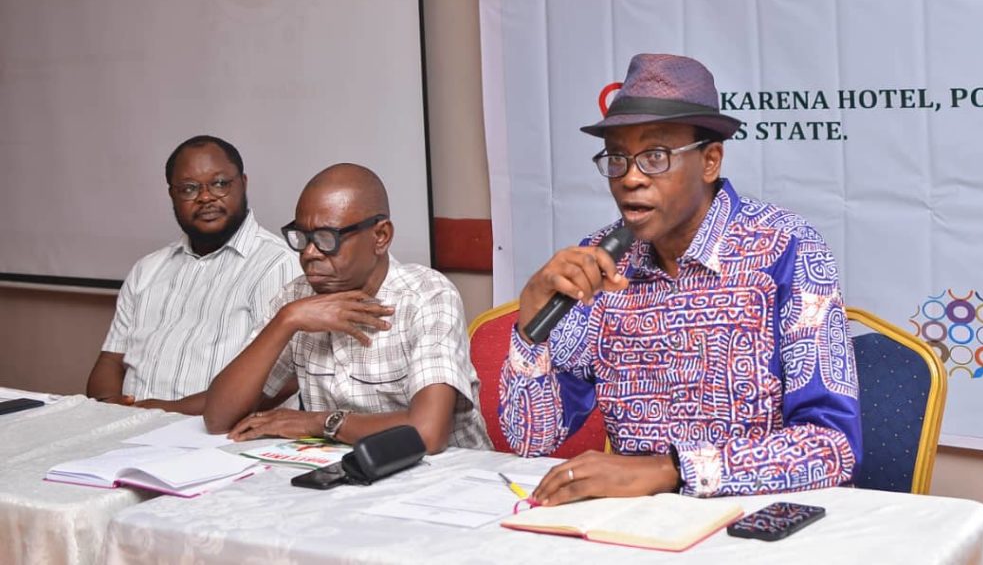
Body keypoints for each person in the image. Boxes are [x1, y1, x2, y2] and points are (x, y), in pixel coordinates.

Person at [499, 54, 862, 504]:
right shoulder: (602, 262)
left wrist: (669, 471)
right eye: (617, 158)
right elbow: (531, 437)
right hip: (635, 523)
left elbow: (832, 447)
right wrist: (531, 330)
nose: (630, 178)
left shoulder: (787, 249)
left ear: (710, 161)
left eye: (655, 156)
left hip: (757, 515)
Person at [203, 163, 490, 454]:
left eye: (327, 238)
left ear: (380, 236)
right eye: (301, 237)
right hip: (347, 470)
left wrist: (318, 423)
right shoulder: (297, 297)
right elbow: (218, 418)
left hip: (447, 474)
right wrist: (286, 320)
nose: (309, 253)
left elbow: (427, 433)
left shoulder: (426, 296)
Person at [86, 135, 301, 414]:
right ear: (172, 195)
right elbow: (111, 361)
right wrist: (107, 409)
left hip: (215, 432)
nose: (205, 197)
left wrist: (163, 412)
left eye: (220, 184)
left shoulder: (278, 265)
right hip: (127, 426)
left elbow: (282, 382)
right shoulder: (147, 269)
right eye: (189, 189)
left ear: (243, 183)